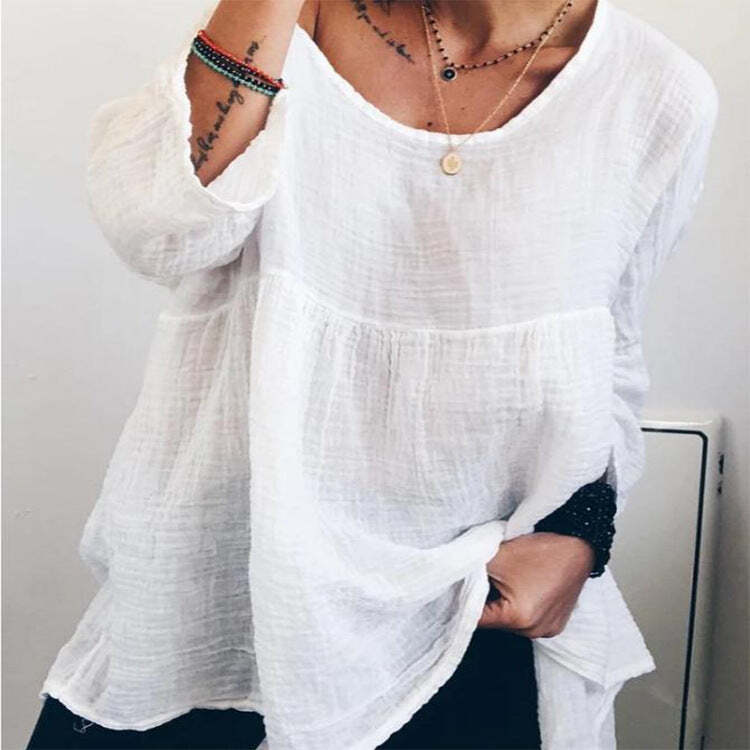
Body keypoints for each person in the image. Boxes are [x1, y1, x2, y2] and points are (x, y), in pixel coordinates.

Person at [29, 0, 718, 748]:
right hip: (219, 594)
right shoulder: (291, 27)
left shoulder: (656, 93)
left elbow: (612, 353)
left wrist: (582, 535)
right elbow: (159, 231)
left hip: (469, 611)